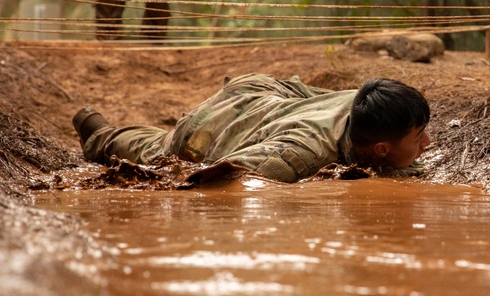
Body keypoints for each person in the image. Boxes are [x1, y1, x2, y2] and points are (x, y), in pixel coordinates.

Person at [72, 74, 432, 183]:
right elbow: (225, 176)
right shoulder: (299, 154)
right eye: (419, 138)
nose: (428, 144)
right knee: (160, 150)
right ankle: (97, 132)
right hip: (219, 120)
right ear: (381, 148)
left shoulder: (369, 105)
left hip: (269, 93)